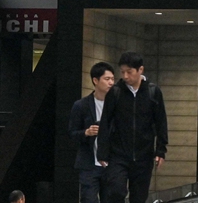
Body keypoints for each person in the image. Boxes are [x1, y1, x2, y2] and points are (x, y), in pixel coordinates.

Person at [96, 52, 168, 203]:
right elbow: (105, 122)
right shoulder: (115, 92)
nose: (125, 76)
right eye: (122, 72)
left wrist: (161, 150)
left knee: (139, 197)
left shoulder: (153, 92)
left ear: (140, 70)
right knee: (115, 190)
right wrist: (102, 152)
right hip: (118, 154)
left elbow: (161, 121)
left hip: (144, 154)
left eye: (129, 72)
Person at [69, 62, 116, 203]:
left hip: (111, 163)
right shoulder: (81, 105)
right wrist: (86, 132)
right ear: (95, 80)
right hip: (89, 164)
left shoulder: (117, 104)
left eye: (112, 79)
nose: (111, 83)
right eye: (107, 79)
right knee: (88, 199)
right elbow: (71, 133)